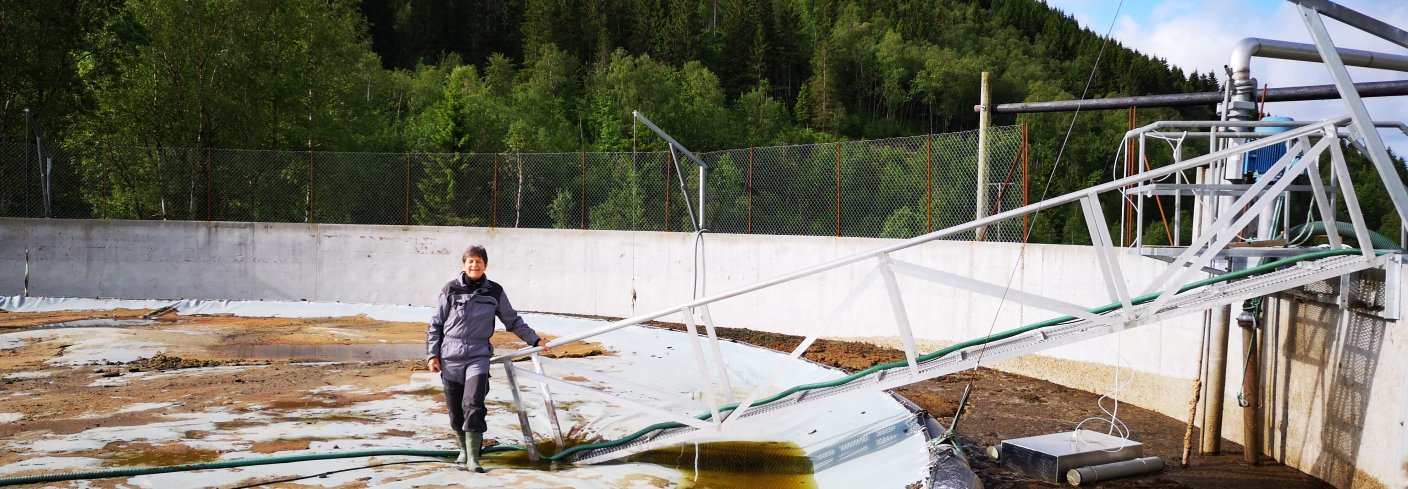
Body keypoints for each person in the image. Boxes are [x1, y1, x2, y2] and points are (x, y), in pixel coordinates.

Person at [427, 245, 549, 473]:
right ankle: (463, 449)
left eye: (479, 262)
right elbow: (436, 324)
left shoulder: (494, 291)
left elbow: (512, 321)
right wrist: (433, 354)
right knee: (455, 410)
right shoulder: (450, 290)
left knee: (474, 403)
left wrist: (535, 340)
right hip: (450, 356)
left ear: (485, 265)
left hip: (478, 356)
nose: (474, 266)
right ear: (463, 265)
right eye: (470, 261)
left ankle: (473, 458)